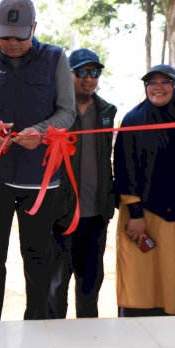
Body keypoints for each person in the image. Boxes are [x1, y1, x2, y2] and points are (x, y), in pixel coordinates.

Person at [0, 0, 76, 320]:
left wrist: (43, 130)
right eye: (4, 36)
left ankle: (37, 323)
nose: (10, 43)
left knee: (38, 254)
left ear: (33, 28)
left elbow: (67, 111)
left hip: (40, 179)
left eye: (19, 37)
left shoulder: (54, 59)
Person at [113, 64, 175, 317]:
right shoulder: (133, 120)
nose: (158, 87)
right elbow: (124, 167)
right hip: (140, 215)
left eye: (165, 82)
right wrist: (135, 213)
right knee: (139, 275)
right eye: (151, 82)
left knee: (171, 271)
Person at [48, 48, 116, 319]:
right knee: (56, 284)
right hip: (61, 215)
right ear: (69, 75)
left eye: (94, 72)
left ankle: (89, 342)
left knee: (91, 283)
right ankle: (55, 341)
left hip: (97, 214)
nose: (89, 79)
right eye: (81, 72)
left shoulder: (107, 112)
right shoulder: (54, 113)